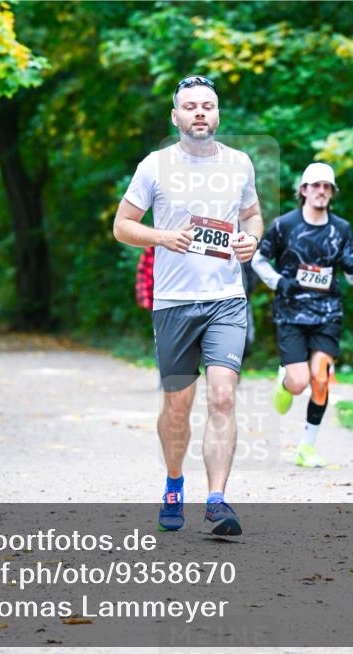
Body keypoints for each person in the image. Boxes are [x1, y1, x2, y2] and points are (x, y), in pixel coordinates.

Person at [113, 74, 262, 536]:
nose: (200, 112)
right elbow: (122, 225)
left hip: (225, 300)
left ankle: (217, 501)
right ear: (175, 116)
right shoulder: (155, 166)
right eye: (191, 106)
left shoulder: (240, 164)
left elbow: (253, 214)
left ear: (217, 114)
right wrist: (162, 237)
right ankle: (174, 483)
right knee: (178, 406)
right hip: (174, 303)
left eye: (208, 105)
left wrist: (250, 241)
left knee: (222, 395)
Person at [251, 162, 353, 468]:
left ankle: (307, 447)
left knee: (321, 378)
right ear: (304, 190)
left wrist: (352, 266)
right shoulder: (285, 225)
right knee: (300, 382)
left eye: (327, 187)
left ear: (332, 193)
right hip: (291, 313)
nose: (321, 192)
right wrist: (279, 282)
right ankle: (286, 381)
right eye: (316, 186)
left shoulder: (341, 229)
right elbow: (258, 260)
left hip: (328, 313)